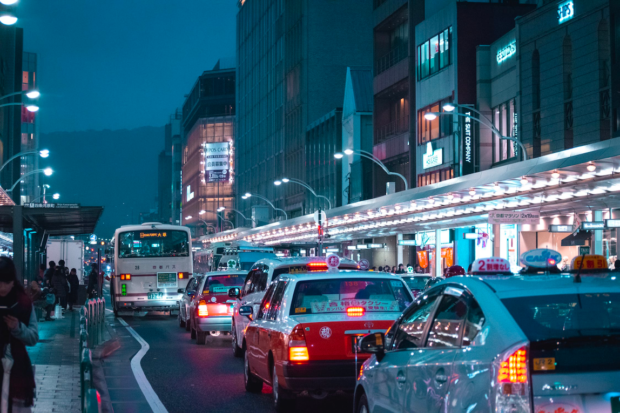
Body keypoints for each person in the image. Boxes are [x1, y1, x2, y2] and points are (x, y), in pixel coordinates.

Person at [0, 257, 38, 412]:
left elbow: (33, 337)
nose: (2, 287)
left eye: (6, 283)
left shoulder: (23, 303)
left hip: (17, 368)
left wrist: (17, 328)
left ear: (13, 281)